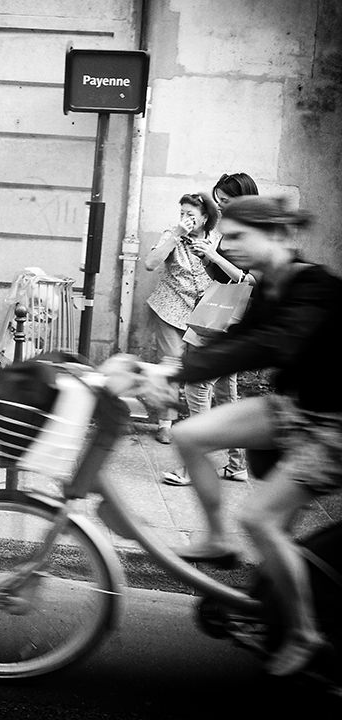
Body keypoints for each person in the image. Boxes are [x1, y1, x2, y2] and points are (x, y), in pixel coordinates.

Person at [161, 195, 342, 676]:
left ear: (278, 236)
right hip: (294, 407)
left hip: (335, 425)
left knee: (261, 520)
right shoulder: (268, 286)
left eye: (239, 236)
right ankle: (218, 540)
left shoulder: (317, 287)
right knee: (190, 435)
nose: (228, 244)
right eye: (227, 235)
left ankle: (305, 633)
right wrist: (172, 369)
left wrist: (184, 369)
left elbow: (274, 343)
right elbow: (243, 341)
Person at [162, 173, 259, 485]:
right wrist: (206, 257)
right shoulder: (228, 231)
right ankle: (236, 464)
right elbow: (221, 273)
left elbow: (251, 281)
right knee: (224, 391)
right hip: (218, 313)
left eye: (226, 203)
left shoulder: (254, 233)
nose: (220, 208)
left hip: (230, 319)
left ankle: (194, 466)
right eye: (218, 202)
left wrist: (215, 254)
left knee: (197, 385)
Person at [144, 192, 220, 445]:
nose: (185, 218)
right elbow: (150, 263)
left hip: (204, 314)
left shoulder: (216, 240)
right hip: (170, 307)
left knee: (199, 369)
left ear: (205, 217)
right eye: (182, 213)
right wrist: (176, 234)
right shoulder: (172, 234)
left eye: (191, 215)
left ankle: (199, 424)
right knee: (172, 365)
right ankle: (166, 423)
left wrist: (210, 254)